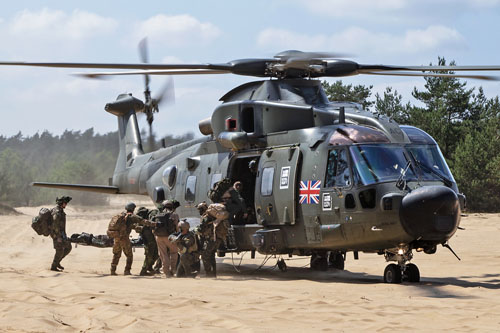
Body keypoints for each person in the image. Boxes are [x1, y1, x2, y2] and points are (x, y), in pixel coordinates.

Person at [108, 202, 155, 276]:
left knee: (116, 254)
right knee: (129, 255)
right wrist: (154, 224)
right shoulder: (131, 216)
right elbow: (143, 221)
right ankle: (127, 271)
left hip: (116, 238)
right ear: (133, 209)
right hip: (124, 239)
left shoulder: (120, 216)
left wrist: (137, 228)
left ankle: (112, 270)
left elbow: (129, 226)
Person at [196, 202, 229, 277]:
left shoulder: (206, 217)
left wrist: (195, 230)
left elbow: (201, 228)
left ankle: (209, 273)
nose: (199, 212)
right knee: (211, 255)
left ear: (202, 209)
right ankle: (213, 274)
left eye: (199, 210)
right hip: (217, 239)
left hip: (211, 239)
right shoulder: (213, 216)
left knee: (205, 255)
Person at [152, 200, 179, 278]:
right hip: (170, 237)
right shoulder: (174, 215)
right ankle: (173, 270)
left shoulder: (158, 214)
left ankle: (166, 272)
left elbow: (154, 227)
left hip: (159, 237)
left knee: (163, 254)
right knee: (174, 252)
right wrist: (177, 235)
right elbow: (177, 226)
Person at [50, 196, 72, 272]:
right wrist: (58, 236)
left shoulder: (60, 210)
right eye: (65, 203)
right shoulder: (57, 212)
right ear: (61, 203)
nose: (66, 205)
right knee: (59, 250)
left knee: (68, 247)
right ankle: (54, 266)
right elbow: (55, 225)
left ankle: (57, 262)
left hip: (61, 234)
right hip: (57, 235)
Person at [135, 207, 159, 276]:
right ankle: (143, 270)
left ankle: (149, 267)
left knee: (155, 254)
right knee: (149, 255)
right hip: (148, 239)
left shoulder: (150, 214)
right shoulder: (150, 214)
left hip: (151, 238)